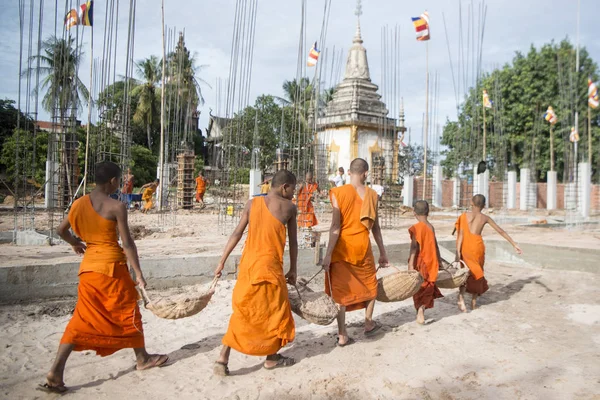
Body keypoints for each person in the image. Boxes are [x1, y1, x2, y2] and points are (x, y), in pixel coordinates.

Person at [39, 162, 167, 394]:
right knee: (129, 311)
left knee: (81, 319)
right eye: (119, 180)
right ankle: (142, 358)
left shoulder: (78, 204)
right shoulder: (117, 206)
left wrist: (75, 243)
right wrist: (138, 273)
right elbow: (127, 243)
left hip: (88, 270)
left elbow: (60, 231)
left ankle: (56, 371)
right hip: (111, 269)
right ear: (113, 181)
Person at [213, 169, 298, 375]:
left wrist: (222, 261)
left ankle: (223, 358)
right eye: (292, 190)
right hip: (270, 268)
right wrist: (293, 269)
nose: (293, 194)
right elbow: (294, 243)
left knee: (243, 311)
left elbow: (237, 233)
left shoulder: (252, 204)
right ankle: (271, 358)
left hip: (249, 267)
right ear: (284, 187)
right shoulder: (289, 208)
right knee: (275, 313)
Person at [322, 158, 389, 346]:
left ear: (349, 173)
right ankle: (368, 323)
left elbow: (335, 226)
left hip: (342, 247)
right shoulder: (372, 195)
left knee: (341, 291)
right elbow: (376, 228)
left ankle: (342, 334)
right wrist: (383, 253)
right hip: (362, 247)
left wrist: (327, 254)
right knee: (370, 284)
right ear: (366, 174)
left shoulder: (338, 192)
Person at [455, 194, 523, 311]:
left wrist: (457, 254)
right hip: (477, 247)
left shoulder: (463, 216)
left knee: (465, 273)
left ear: (471, 202)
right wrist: (514, 244)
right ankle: (473, 302)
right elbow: (500, 231)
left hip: (466, 248)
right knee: (478, 274)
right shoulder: (485, 218)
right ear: (484, 205)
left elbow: (460, 236)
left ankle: (461, 298)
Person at [408, 200, 443, 325]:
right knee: (428, 286)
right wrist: (439, 261)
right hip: (431, 262)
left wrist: (411, 264)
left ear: (414, 213)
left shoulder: (417, 228)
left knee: (419, 287)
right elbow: (436, 246)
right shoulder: (430, 227)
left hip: (420, 262)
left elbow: (414, 247)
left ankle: (420, 310)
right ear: (428, 212)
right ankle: (421, 310)